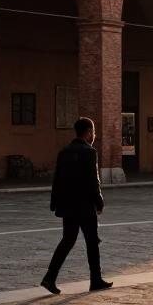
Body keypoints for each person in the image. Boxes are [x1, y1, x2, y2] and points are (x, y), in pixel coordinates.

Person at [41, 117, 113, 295]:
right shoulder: (90, 152)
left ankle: (50, 276)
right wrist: (99, 201)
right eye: (93, 132)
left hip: (68, 205)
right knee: (92, 242)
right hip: (85, 205)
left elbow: (57, 179)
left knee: (67, 240)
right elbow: (92, 180)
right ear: (88, 132)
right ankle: (95, 280)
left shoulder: (64, 151)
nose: (94, 135)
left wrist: (54, 202)